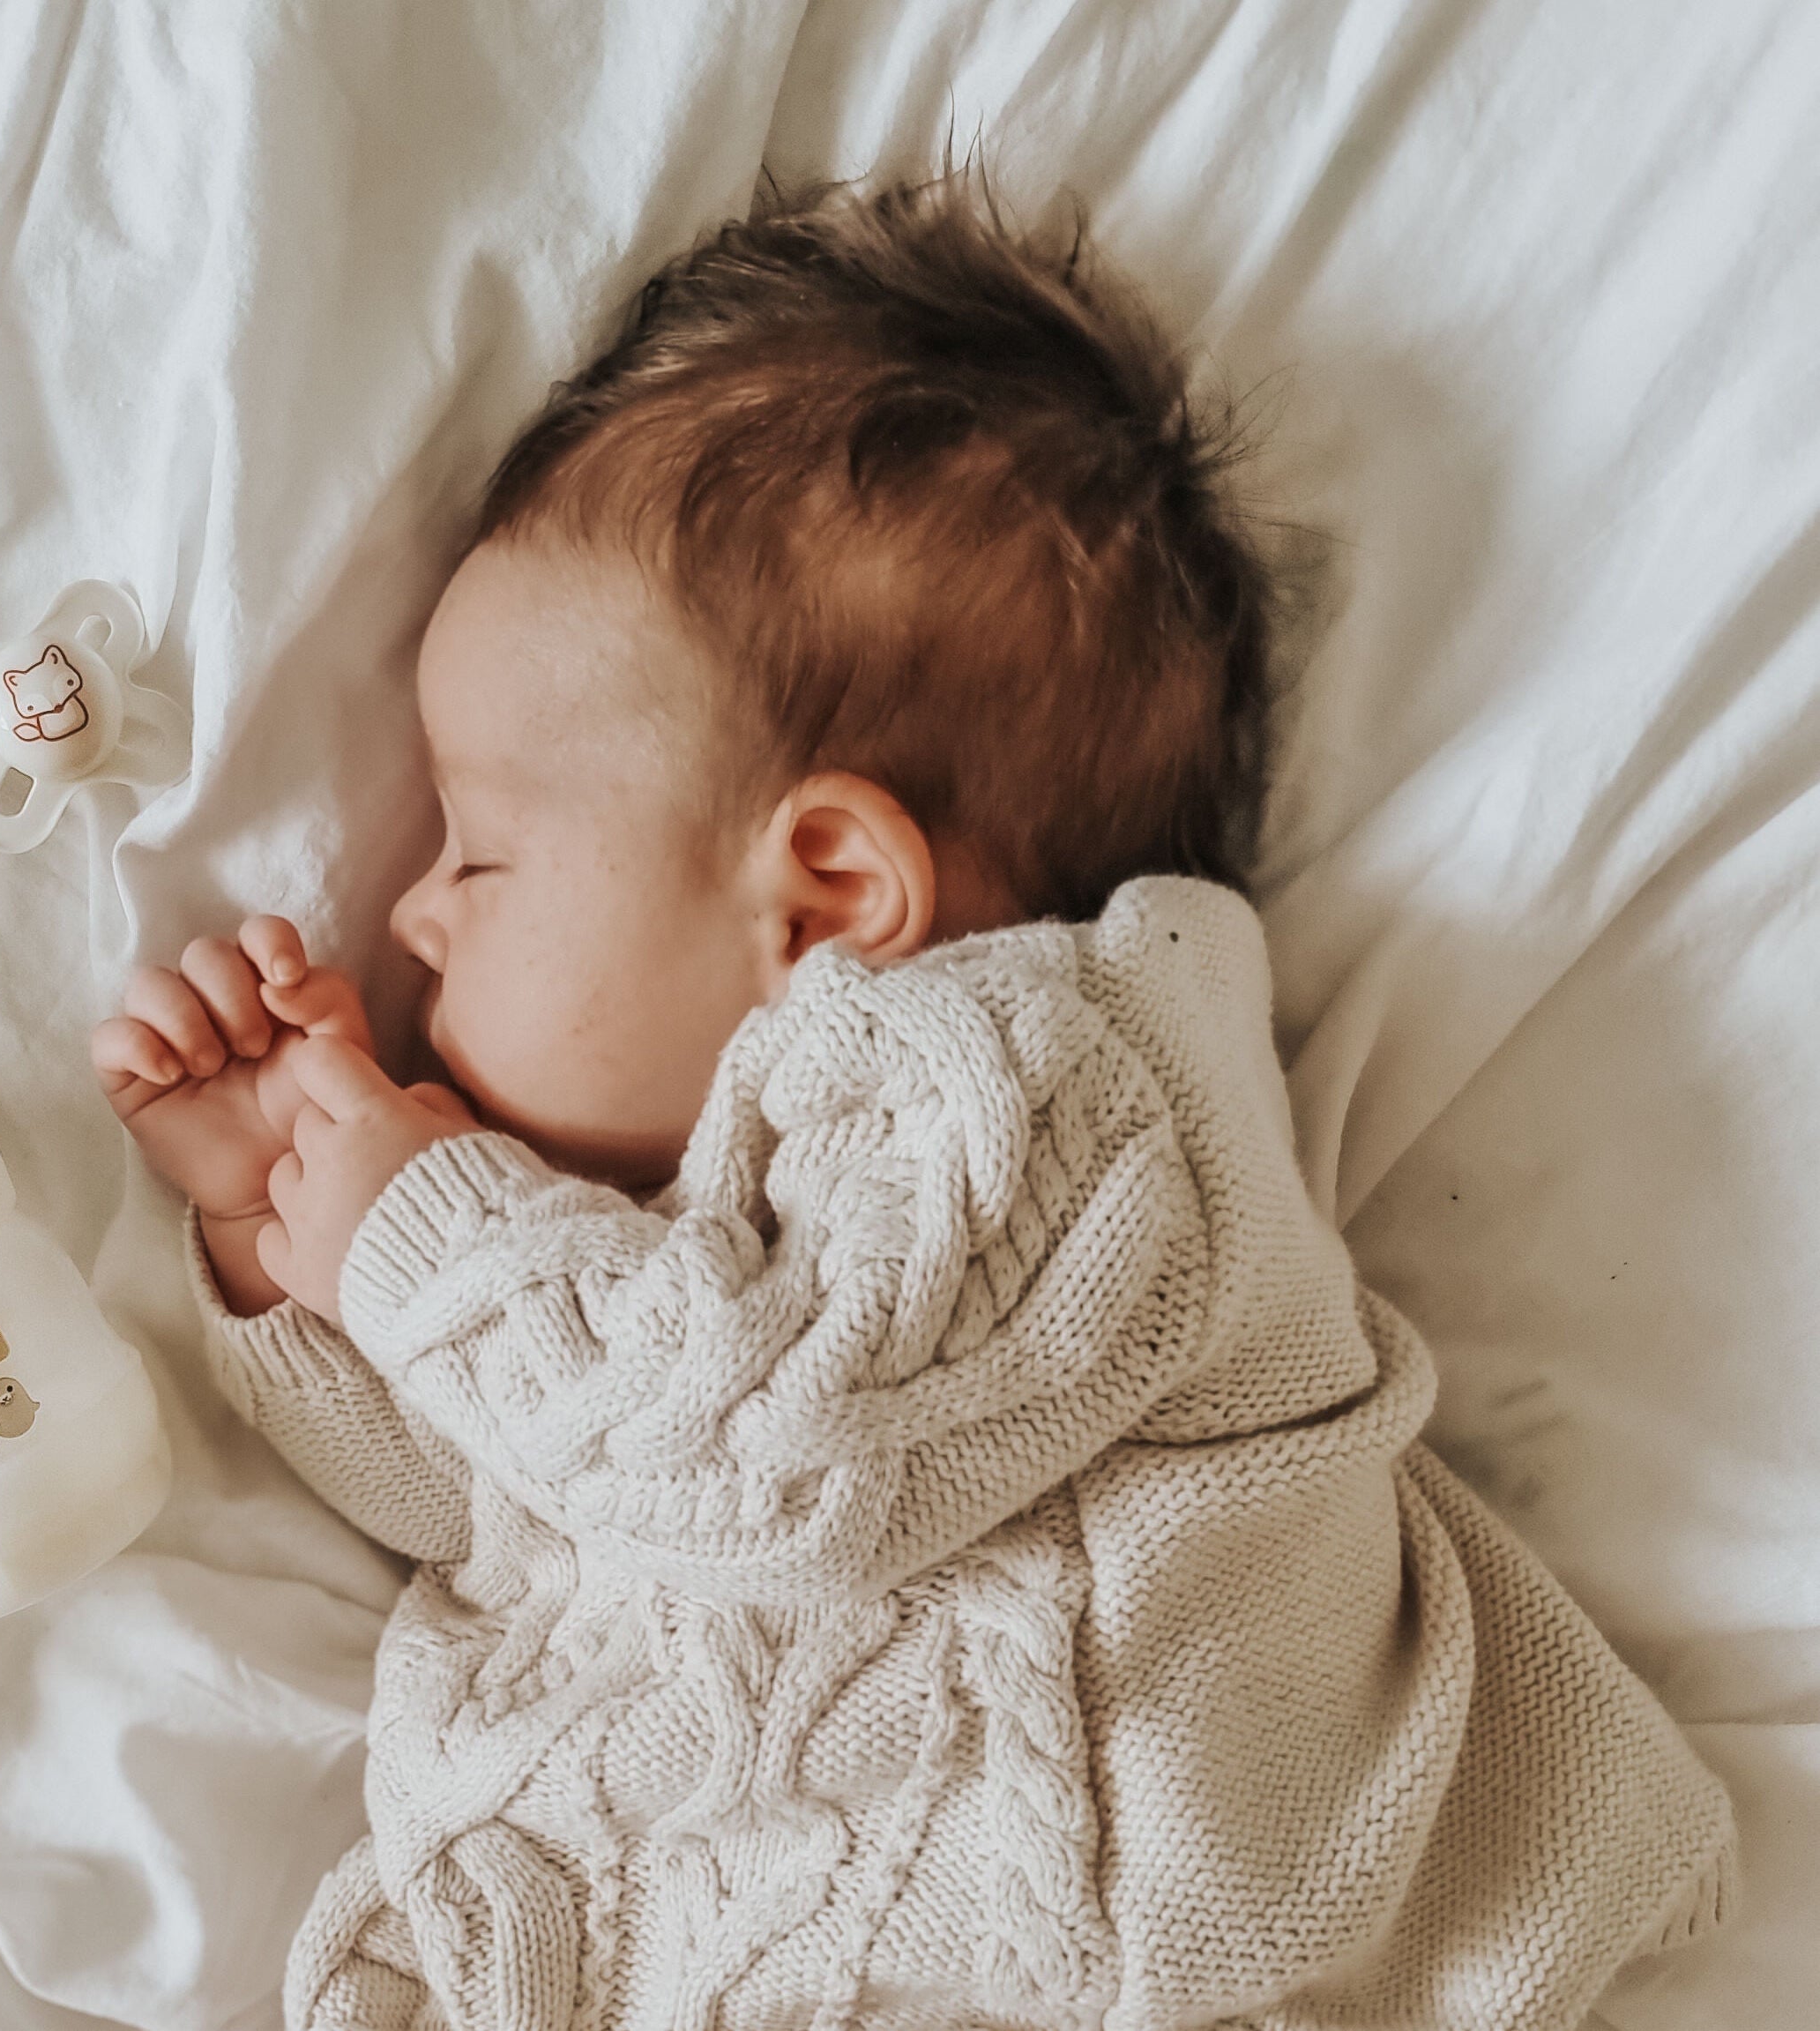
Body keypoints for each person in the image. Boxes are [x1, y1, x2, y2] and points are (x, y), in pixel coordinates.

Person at [91, 175, 1732, 2031]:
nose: (409, 915)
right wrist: (280, 1229)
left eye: (479, 851)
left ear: (824, 895)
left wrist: (418, 1234)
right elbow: (522, 1510)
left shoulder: (1045, 1083)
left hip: (1145, 1947)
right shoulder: (668, 1252)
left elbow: (780, 1469)